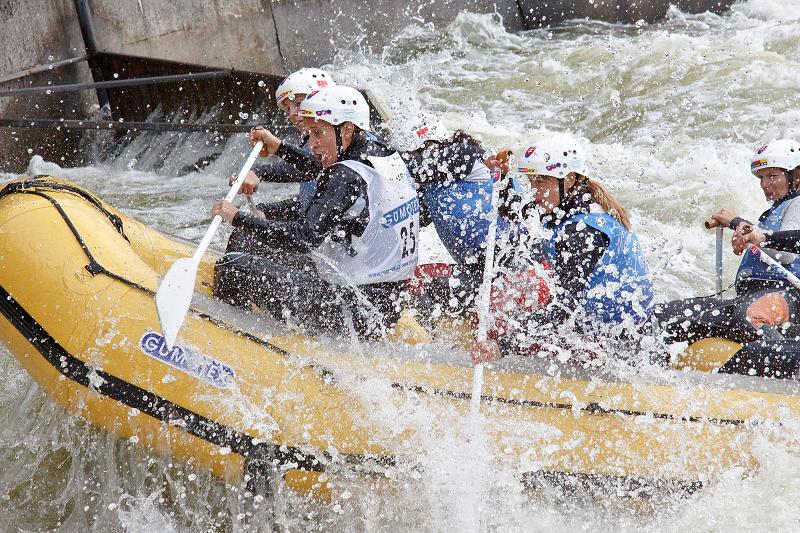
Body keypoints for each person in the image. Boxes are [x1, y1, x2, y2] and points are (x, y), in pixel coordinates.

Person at [211, 85, 420, 340]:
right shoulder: (382, 153)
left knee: (233, 266)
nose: (312, 144)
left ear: (346, 129)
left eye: (318, 133)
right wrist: (279, 147)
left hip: (353, 312)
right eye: (310, 134)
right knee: (248, 241)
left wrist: (237, 217)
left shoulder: (345, 175)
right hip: (385, 302)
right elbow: (323, 167)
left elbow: (303, 237)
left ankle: (230, 340)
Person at [472, 134, 654, 363]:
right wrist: (503, 180)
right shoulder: (574, 204)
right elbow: (520, 213)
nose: (536, 192)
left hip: (619, 343)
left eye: (541, 183)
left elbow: (563, 308)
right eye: (532, 183)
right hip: (604, 326)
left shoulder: (582, 232)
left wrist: (502, 346)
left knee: (511, 326)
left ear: (568, 179)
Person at [656, 139, 800, 353]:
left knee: (750, 317)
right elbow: (762, 237)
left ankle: (787, 364)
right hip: (747, 299)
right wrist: (744, 228)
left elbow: (784, 255)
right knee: (663, 316)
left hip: (783, 297)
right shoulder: (773, 212)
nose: (764, 184)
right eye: (761, 177)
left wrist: (739, 224)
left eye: (772, 176)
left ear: (796, 176)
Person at [391, 113, 536, 317]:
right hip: (479, 269)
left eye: (412, 154)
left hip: (508, 266)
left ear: (430, 145)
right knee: (411, 280)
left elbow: (421, 170)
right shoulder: (434, 186)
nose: (409, 161)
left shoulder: (463, 153)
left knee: (418, 288)